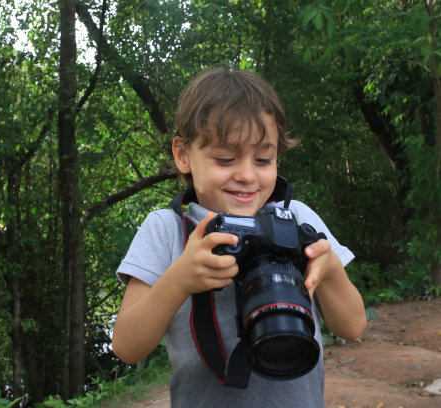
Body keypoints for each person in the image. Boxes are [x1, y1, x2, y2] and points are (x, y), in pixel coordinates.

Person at [111, 67, 367, 407]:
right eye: (225, 158)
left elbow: (352, 327)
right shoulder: (167, 230)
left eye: (263, 159)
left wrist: (330, 270)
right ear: (183, 155)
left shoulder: (296, 219)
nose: (247, 175)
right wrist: (179, 281)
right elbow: (127, 347)